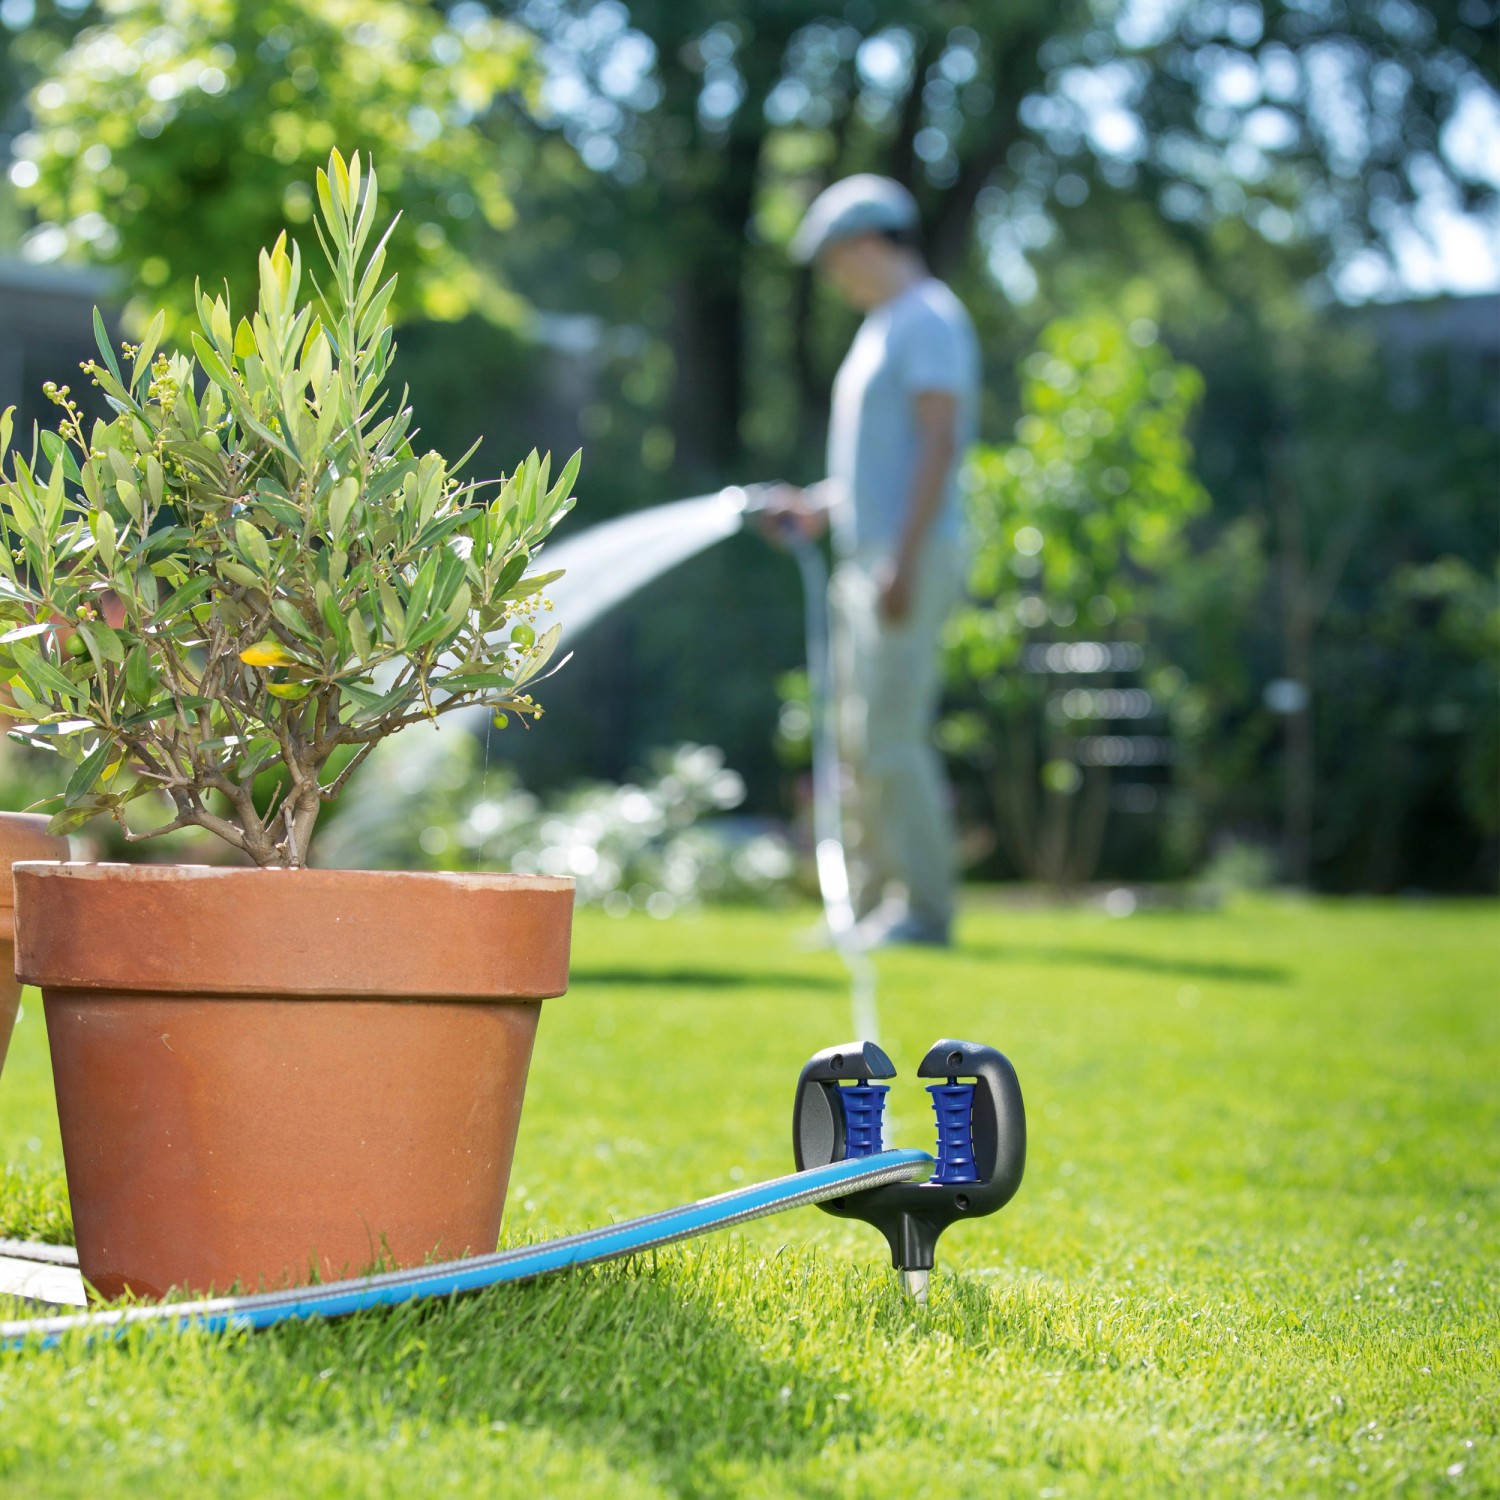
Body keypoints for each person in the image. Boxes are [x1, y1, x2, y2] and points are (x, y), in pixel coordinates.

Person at [767, 175, 979, 949]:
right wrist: (819, 506)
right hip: (871, 555)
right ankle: (868, 908)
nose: (833, 279)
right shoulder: (883, 326)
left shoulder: (928, 319)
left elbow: (937, 445)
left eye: (834, 261)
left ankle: (922, 912)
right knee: (859, 740)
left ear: (865, 243)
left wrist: (903, 561)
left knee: (891, 736)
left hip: (906, 558)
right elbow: (875, 470)